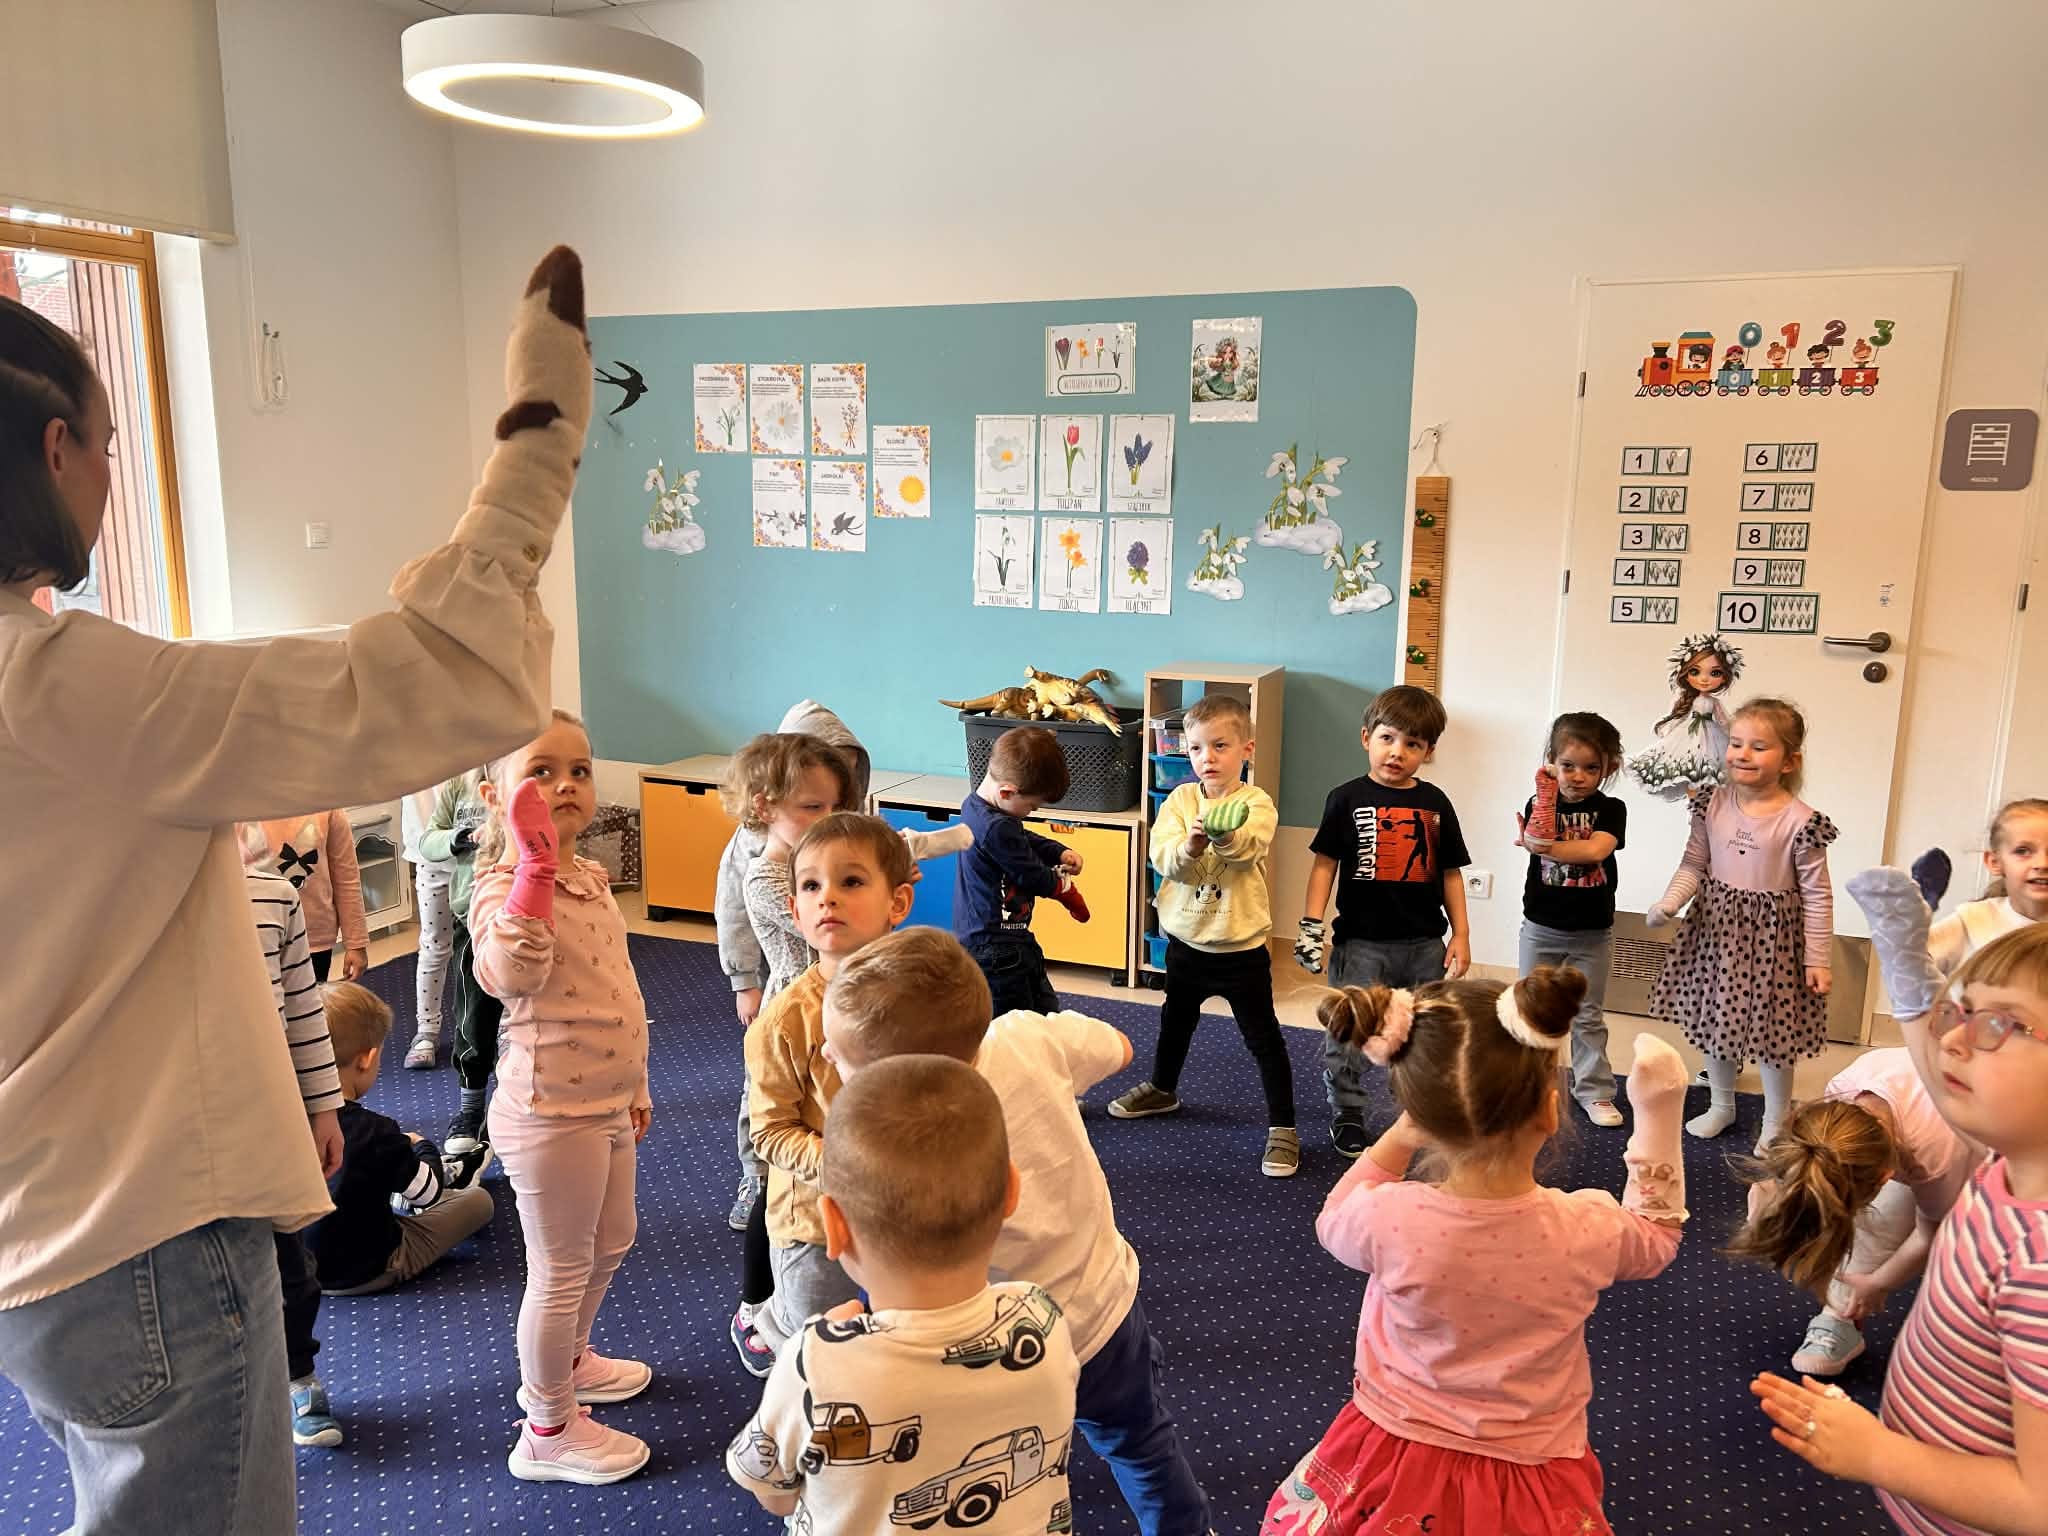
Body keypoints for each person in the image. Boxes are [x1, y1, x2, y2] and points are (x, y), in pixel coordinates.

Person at [0, 245, 591, 1533]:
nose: (111, 474)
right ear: (53, 452)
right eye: (108, 446)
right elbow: (440, 683)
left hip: (37, 1236)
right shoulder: (57, 689)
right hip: (140, 1236)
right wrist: (540, 441)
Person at [1262, 972, 1689, 1535]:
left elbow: (1332, 1217)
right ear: (1549, 1110)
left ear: (1419, 1112)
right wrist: (1659, 1112)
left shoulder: (1388, 1217)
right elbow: (1657, 1237)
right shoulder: (1585, 1227)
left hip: (1388, 1456)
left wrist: (1398, 1138)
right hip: (1531, 1471)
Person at [824, 928, 1213, 1535]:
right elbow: (1118, 1047)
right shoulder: (1025, 1036)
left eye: (840, 1056)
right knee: (1141, 1444)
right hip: (1102, 1311)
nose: (827, 1056)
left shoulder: (884, 1144)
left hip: (989, 1352)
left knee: (980, 1461)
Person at [1750, 924, 2048, 1536]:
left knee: (1892, 1228)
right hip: (1929, 1495)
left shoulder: (2031, 1257)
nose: (1951, 1042)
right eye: (1959, 1013)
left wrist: (1878, 1454)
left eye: (2002, 1023)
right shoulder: (2000, 1168)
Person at [725, 1055, 1079, 1535]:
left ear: (834, 1228)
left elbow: (773, 1493)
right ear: (1011, 1194)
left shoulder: (815, 1363)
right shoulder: (1041, 1316)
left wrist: (832, 1343)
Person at [471, 711, 655, 1485]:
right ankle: (547, 1428)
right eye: (541, 772)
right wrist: (534, 870)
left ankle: (571, 1361)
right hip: (550, 1112)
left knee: (613, 1240)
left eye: (579, 769)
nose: (566, 784)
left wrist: (636, 1081)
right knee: (560, 1269)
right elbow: (508, 974)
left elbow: (617, 984)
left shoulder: (591, 878)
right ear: (496, 796)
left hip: (604, 1102)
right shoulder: (501, 888)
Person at [746, 814, 916, 1347]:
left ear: (898, 903)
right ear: (795, 911)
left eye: (851, 881)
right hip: (815, 1223)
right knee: (820, 1345)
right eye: (811, 886)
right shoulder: (785, 1020)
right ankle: (773, 1323)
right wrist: (846, 1165)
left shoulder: (916, 996)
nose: (828, 899)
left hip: (898, 1209)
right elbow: (769, 1131)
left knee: (901, 1335)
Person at [1110, 692, 1298, 1177]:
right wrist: (1190, 845)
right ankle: (1163, 1088)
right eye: (1196, 748)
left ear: (1246, 750)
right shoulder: (1179, 800)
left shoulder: (1256, 802)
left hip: (1241, 950)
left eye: (1220, 746)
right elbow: (1163, 861)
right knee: (1175, 1022)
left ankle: (1283, 1125)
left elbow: (1248, 849)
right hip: (1186, 944)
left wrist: (1222, 835)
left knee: (1263, 1037)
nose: (1206, 758)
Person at [723, 732, 859, 1371]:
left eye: (834, 807)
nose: (826, 820)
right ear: (763, 806)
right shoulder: (769, 873)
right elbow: (828, 927)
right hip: (795, 1020)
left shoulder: (814, 860)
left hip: (836, 1008)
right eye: (811, 807)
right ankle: (756, 1309)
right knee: (774, 1186)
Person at [1645, 697, 1836, 1149]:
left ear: (1789, 761)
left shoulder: (1802, 822)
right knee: (1717, 1022)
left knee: (1773, 1035)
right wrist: (1670, 902)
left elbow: (1817, 895)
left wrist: (1818, 959)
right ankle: (1721, 1104)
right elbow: (1694, 863)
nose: (1743, 754)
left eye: (1759, 747)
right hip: (1717, 934)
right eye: (1736, 743)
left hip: (1774, 943)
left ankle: (1775, 1120)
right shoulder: (1710, 803)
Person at [1295, 685, 1471, 1158]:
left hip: (1424, 944)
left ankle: (1415, 1110)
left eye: (1413, 744)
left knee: (1423, 1033)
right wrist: (1311, 926)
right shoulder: (1345, 797)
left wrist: (1461, 934)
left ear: (1428, 752)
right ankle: (1348, 1110)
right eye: (1388, 738)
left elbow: (1450, 873)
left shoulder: (1436, 803)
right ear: (1366, 738)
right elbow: (1324, 866)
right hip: (1360, 944)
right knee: (1350, 1031)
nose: (1397, 752)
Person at [1726, 1048, 1974, 1377]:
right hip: (1935, 1098)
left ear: (1886, 1176)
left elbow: (1931, 1232)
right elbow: (1809, 1160)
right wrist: (1772, 1189)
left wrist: (1878, 1284)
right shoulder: (1841, 1096)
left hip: (1999, 1128)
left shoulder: (1936, 1152)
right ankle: (1840, 1316)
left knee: (1965, 1245)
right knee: (1867, 1218)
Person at [238, 827, 349, 1448]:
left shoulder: (273, 895)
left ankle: (298, 1376)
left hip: (271, 1120)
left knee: (293, 1272)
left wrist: (324, 1108)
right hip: (182, 1140)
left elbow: (305, 1012)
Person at [307, 982, 494, 1297]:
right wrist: (420, 1146)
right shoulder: (375, 1132)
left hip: (300, 1273)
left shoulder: (284, 1121)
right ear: (367, 1059)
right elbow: (428, 1195)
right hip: (374, 1268)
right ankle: (428, 1176)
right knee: (479, 1202)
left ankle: (401, 1180)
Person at [1514, 711, 1629, 1127]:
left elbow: (1595, 850)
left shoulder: (1611, 809)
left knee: (1587, 1015)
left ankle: (1594, 1091)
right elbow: (1535, 834)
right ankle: (1527, 1088)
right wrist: (1542, 808)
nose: (1578, 777)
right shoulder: (1540, 801)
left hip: (1592, 933)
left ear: (1608, 768)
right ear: (1551, 762)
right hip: (1540, 927)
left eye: (1590, 768)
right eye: (1567, 765)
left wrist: (1542, 847)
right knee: (1532, 1012)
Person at [954, 725, 1086, 1016]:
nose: (1032, 812)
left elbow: (1020, 837)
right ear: (1007, 792)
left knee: (1043, 1009)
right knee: (1016, 1022)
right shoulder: (995, 827)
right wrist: (1063, 888)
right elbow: (1032, 875)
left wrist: (1056, 850)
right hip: (996, 948)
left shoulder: (980, 808)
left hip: (1006, 938)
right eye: (1032, 806)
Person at [1927, 797, 2048, 973]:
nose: (2042, 864)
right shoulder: (1973, 921)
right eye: (2022, 851)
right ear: (1994, 862)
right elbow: (1910, 964)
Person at [253, 807, 369, 983]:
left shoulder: (327, 806)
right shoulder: (239, 808)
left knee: (311, 997)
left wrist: (356, 942)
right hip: (257, 936)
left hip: (314, 938)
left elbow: (346, 877)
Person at [1626, 633, 1743, 800]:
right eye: (1695, 671)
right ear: (1685, 674)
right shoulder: (1685, 700)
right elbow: (1676, 718)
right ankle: (1694, 804)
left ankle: (1707, 805)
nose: (1704, 679)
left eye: (1715, 673)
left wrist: (1736, 736)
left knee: (1709, 773)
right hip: (1687, 738)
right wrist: (1668, 733)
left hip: (1713, 739)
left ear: (1725, 677)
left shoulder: (1714, 702)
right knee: (1689, 772)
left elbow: (1724, 721)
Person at [399, 781, 457, 1068]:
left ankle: (504, 1024)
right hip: (431, 855)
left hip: (482, 855)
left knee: (490, 943)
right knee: (434, 944)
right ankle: (427, 1030)